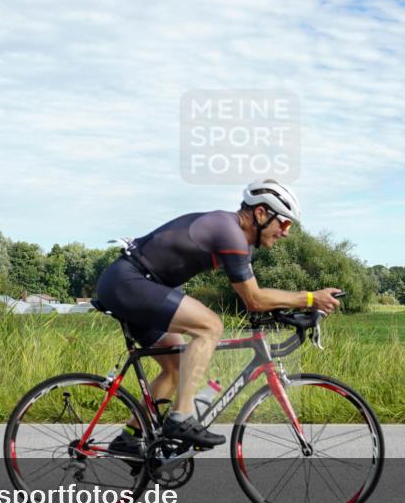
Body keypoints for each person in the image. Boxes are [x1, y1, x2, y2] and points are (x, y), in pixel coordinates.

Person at [94, 179, 342, 452]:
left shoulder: (237, 239)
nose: (286, 233)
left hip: (138, 284)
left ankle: (129, 438)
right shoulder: (230, 233)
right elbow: (254, 299)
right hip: (129, 282)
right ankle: (180, 419)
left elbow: (255, 298)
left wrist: (293, 311)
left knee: (177, 368)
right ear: (260, 213)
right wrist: (309, 298)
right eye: (283, 223)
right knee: (210, 326)